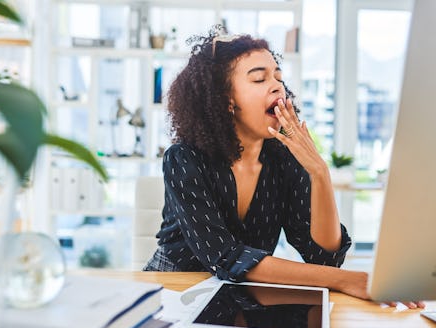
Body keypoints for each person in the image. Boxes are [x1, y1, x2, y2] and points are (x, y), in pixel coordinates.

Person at [144, 26, 424, 309]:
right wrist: (345, 279)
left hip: (242, 295)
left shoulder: (285, 160)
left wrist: (319, 173)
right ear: (226, 99)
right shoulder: (183, 158)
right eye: (259, 79)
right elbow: (226, 257)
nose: (277, 85)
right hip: (174, 289)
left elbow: (323, 258)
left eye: (278, 76)